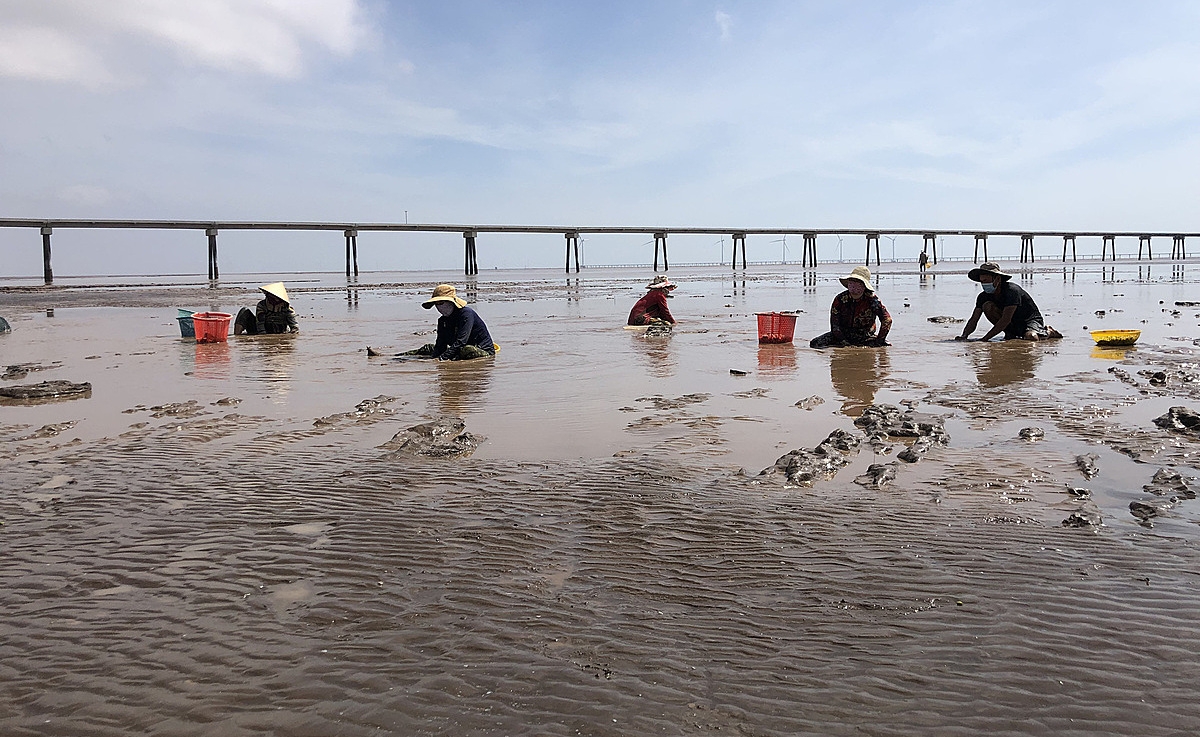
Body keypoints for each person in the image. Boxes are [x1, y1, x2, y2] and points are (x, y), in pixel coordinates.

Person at [955, 262, 1062, 342]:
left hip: (1028, 321)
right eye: (982, 282)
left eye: (986, 281)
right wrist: (964, 336)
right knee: (987, 306)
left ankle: (1048, 332)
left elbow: (1006, 319)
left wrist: (985, 338)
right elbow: (974, 319)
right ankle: (1010, 333)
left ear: (997, 279)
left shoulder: (1012, 291)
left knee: (1031, 338)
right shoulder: (983, 297)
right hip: (1011, 323)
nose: (984, 284)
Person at [400, 284, 496, 361]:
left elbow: (461, 341)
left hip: (480, 350)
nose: (439, 307)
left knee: (467, 350)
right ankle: (397, 357)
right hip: (457, 350)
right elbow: (440, 344)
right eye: (436, 304)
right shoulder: (442, 321)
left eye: (441, 303)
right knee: (428, 348)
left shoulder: (466, 315)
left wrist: (442, 359)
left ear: (451, 302)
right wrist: (434, 358)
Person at [809, 266, 892, 348]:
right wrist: (844, 343)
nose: (854, 286)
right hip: (842, 335)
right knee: (815, 343)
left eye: (858, 283)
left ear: (864, 286)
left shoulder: (872, 300)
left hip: (865, 337)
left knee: (886, 345)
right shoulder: (840, 299)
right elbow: (835, 325)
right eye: (852, 282)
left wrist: (879, 341)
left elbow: (887, 320)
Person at [234, 282, 299, 335]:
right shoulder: (262, 305)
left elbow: (295, 327)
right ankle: (237, 335)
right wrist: (264, 337)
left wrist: (291, 334)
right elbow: (260, 324)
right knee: (244, 311)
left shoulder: (287, 309)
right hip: (261, 329)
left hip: (279, 330)